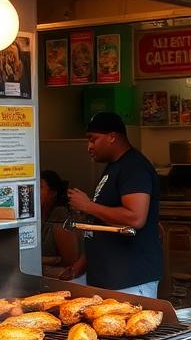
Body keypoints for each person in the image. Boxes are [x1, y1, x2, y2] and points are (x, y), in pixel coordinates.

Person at [65, 112, 162, 297]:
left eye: (93, 139)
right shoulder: (114, 167)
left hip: (131, 280)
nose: (89, 146)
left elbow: (136, 218)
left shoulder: (133, 167)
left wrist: (88, 205)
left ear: (112, 137)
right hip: (108, 279)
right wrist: (82, 264)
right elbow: (103, 225)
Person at [39, 170, 82, 280]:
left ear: (52, 193)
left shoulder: (60, 216)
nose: (34, 191)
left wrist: (41, 261)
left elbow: (70, 260)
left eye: (40, 187)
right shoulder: (38, 217)